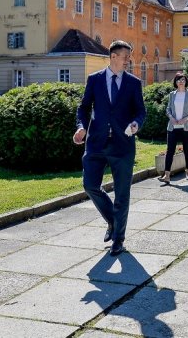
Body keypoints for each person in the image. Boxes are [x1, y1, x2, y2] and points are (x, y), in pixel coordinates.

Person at [73, 40, 146, 256]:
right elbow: (84, 108)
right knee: (89, 185)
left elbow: (141, 112)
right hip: (96, 142)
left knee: (122, 194)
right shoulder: (94, 80)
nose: (128, 61)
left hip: (123, 146)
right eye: (125, 57)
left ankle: (118, 239)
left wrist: (136, 124)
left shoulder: (133, 83)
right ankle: (113, 221)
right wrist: (81, 127)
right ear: (114, 56)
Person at [159, 73, 188, 184]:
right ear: (175, 82)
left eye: (183, 80)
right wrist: (171, 117)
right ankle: (166, 175)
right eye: (178, 80)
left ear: (186, 81)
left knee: (187, 150)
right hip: (173, 127)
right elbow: (168, 109)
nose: (181, 81)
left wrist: (185, 119)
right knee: (170, 150)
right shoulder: (172, 94)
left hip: (187, 127)